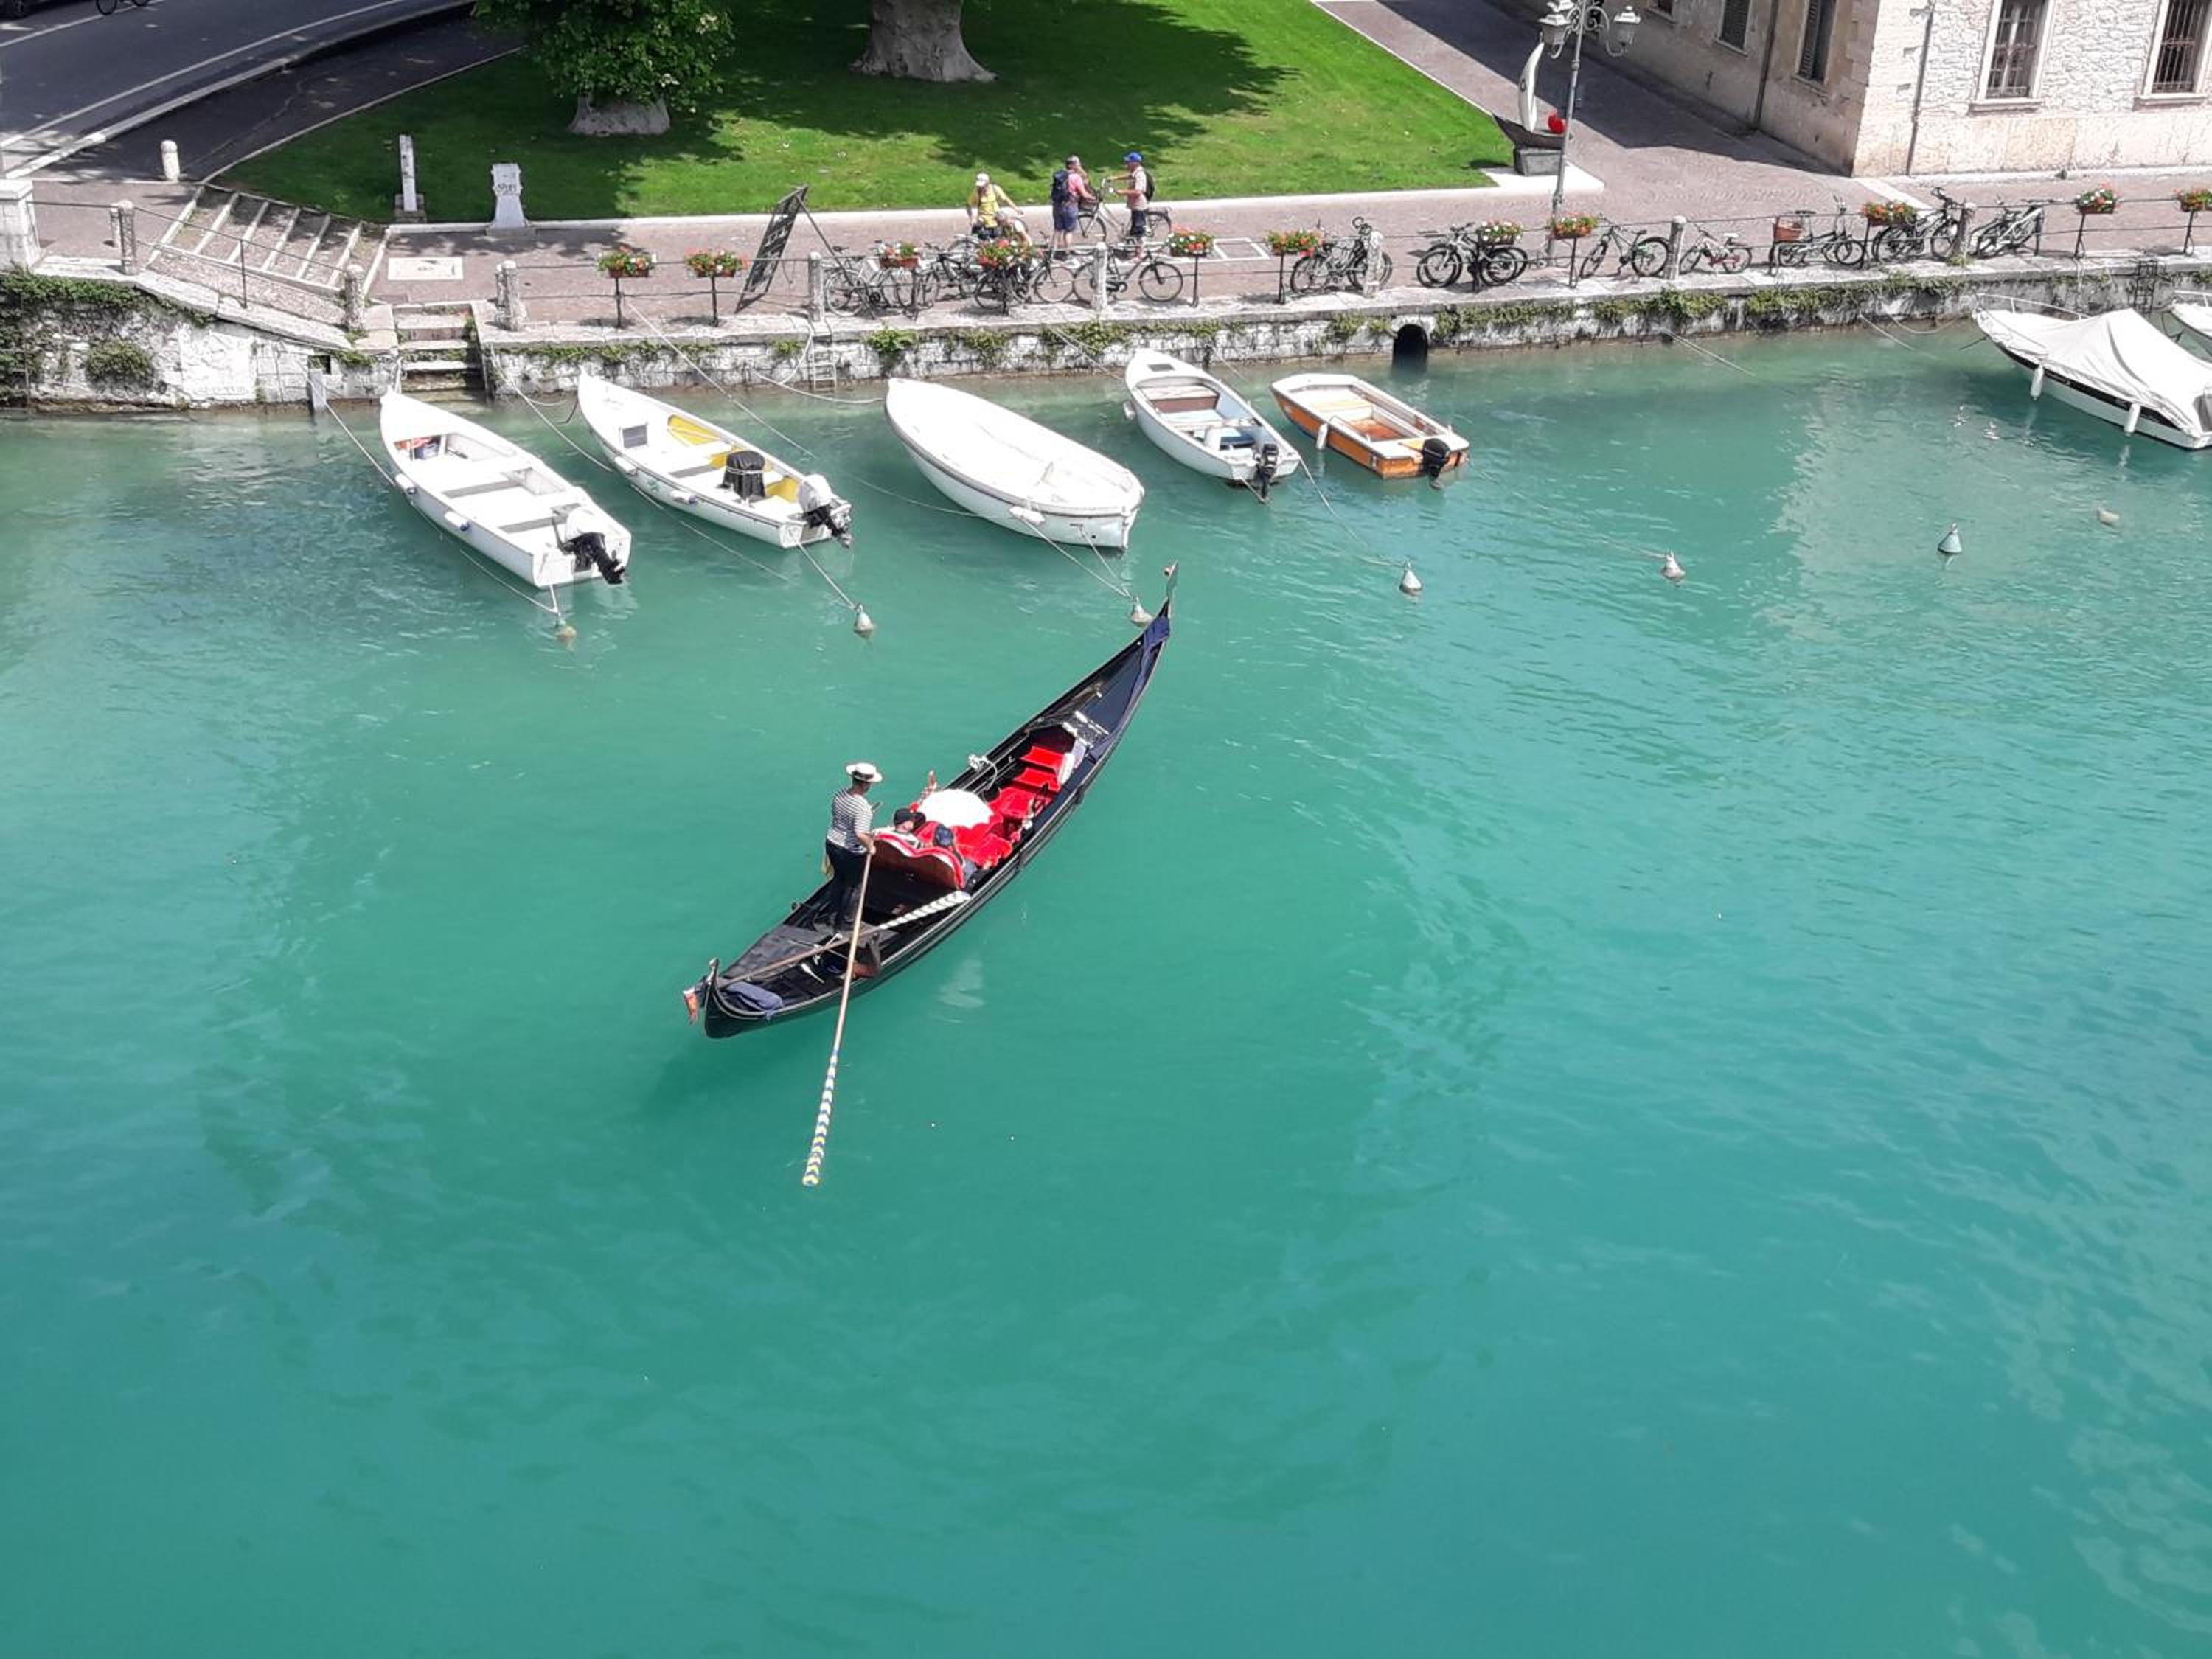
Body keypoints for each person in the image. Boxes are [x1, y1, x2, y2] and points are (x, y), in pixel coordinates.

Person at [823, 762, 880, 925]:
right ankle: (848, 923)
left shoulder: (839, 794)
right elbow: (860, 834)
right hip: (848, 851)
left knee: (839, 879)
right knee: (855, 885)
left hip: (831, 843)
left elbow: (838, 817)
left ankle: (831, 917)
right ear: (866, 784)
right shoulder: (863, 808)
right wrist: (871, 847)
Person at [1048, 154, 1093, 254]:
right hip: (1070, 206)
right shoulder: (1075, 177)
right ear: (1073, 165)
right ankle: (1067, 253)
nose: (1080, 165)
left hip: (1057, 205)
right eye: (1078, 164)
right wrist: (1093, 198)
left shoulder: (1061, 174)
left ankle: (1053, 252)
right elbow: (1084, 194)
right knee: (1068, 231)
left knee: (1057, 230)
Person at [1114, 151, 1155, 251]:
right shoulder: (1135, 172)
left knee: (1139, 231)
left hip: (1139, 206)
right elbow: (1130, 177)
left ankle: (1140, 254)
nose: (1127, 164)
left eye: (1129, 162)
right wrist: (1116, 178)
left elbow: (1138, 192)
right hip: (1135, 206)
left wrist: (1123, 192)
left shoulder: (1140, 175)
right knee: (1134, 229)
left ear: (1135, 163)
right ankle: (1132, 248)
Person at [966, 172, 1020, 240]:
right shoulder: (976, 192)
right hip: (983, 223)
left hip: (997, 222)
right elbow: (968, 205)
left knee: (999, 243)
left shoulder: (995, 189)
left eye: (983, 186)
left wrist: (1016, 209)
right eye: (979, 186)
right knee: (982, 244)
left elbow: (1006, 199)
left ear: (988, 183)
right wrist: (972, 218)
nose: (981, 188)